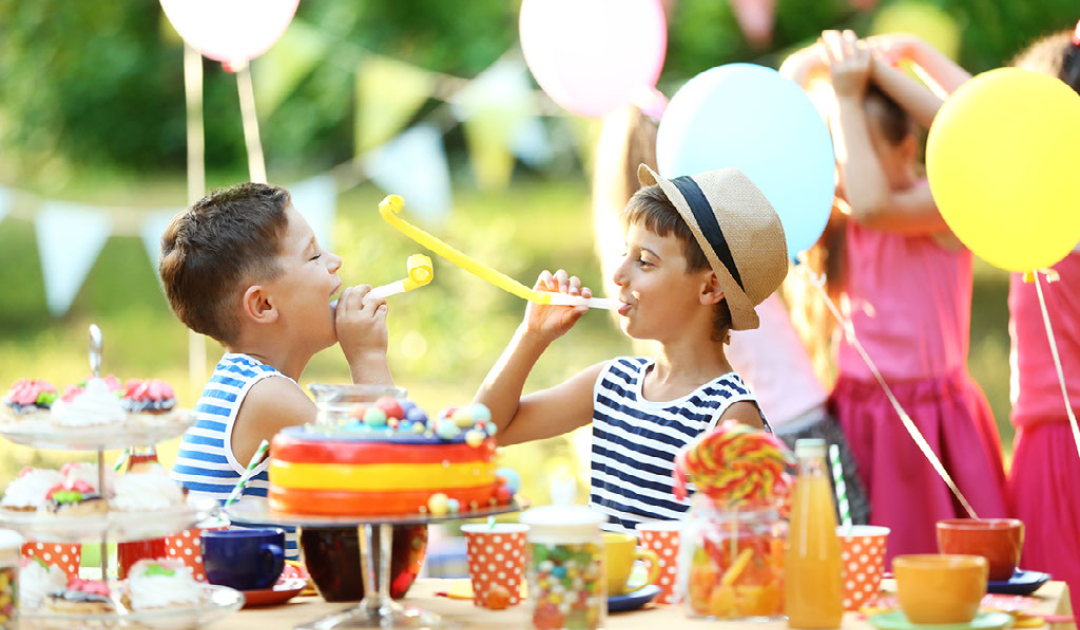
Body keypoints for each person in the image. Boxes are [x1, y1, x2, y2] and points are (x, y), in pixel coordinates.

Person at [783, 30, 1008, 559]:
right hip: (863, 414)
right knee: (871, 566)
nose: (843, 163)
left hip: (933, 418)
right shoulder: (839, 210)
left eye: (855, 146)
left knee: (944, 562)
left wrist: (901, 58)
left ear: (909, 146)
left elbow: (977, 136)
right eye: (841, 144)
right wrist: (813, 61)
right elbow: (787, 109)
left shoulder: (943, 204)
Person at [476, 164, 789, 532]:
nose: (618, 274)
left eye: (644, 261)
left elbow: (743, 549)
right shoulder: (612, 383)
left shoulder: (729, 416)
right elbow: (483, 433)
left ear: (710, 288)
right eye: (625, 252)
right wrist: (531, 336)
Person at [161, 182, 393, 558]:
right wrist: (368, 357)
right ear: (264, 304)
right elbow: (385, 477)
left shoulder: (245, 384)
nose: (335, 261)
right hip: (236, 613)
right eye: (314, 255)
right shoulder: (267, 396)